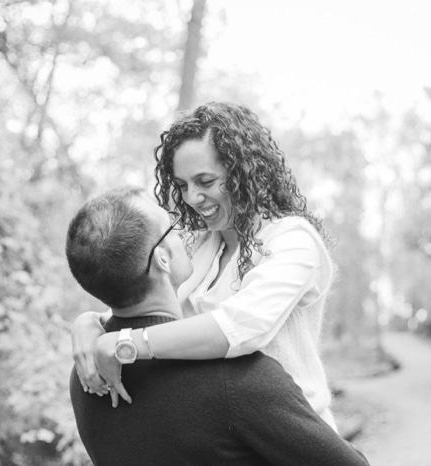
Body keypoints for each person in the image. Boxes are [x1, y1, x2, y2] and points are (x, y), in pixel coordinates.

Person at [72, 102, 338, 428]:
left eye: (206, 181)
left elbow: (239, 328)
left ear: (245, 173)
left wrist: (125, 343)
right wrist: (90, 323)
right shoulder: (197, 244)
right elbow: (147, 308)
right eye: (183, 185)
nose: (192, 198)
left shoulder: (293, 241)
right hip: (228, 432)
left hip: (298, 435)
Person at [66, 187, 369, 465]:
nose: (184, 233)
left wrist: (89, 320)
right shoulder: (238, 381)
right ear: (163, 259)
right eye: (171, 227)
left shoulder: (85, 376)